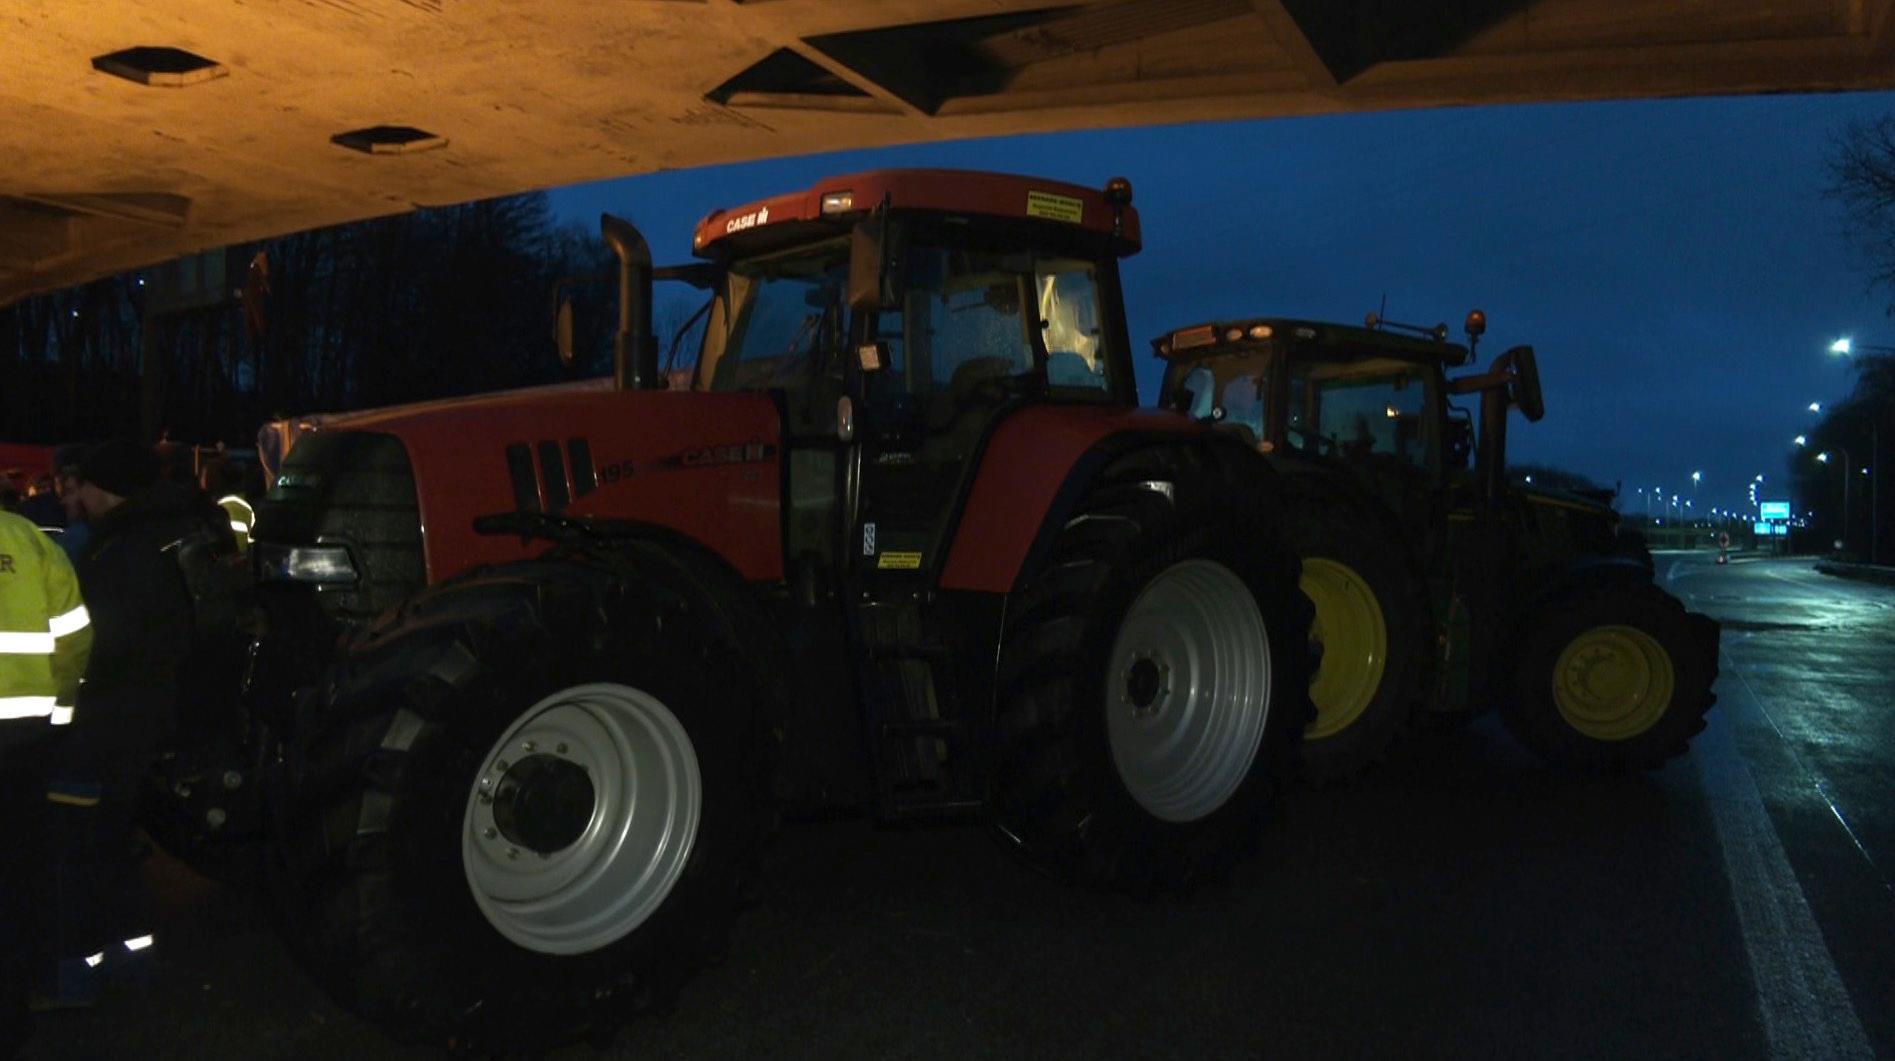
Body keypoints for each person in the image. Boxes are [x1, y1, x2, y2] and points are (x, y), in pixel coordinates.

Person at [42, 440, 230, 1002]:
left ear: (103, 487)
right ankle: (132, 962)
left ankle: (76, 975)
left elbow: (98, 646)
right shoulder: (170, 533)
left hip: (104, 724)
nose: (74, 497)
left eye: (81, 485)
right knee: (113, 843)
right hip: (146, 718)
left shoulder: (121, 552)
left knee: (78, 850)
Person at [1, 508, 92, 1020]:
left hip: (27, 733)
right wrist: (61, 711)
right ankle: (24, 989)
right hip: (27, 736)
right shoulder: (29, 540)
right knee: (23, 862)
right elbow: (75, 636)